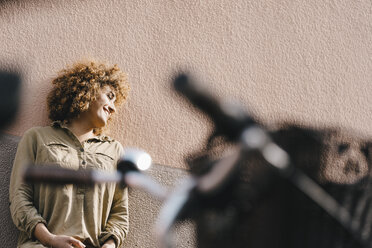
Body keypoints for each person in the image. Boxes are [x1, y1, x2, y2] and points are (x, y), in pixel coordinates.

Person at [9, 61, 130, 248]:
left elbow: (120, 212)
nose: (113, 108)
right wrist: (49, 239)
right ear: (88, 89)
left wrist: (109, 245)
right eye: (109, 96)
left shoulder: (114, 150)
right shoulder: (37, 138)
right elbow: (19, 197)